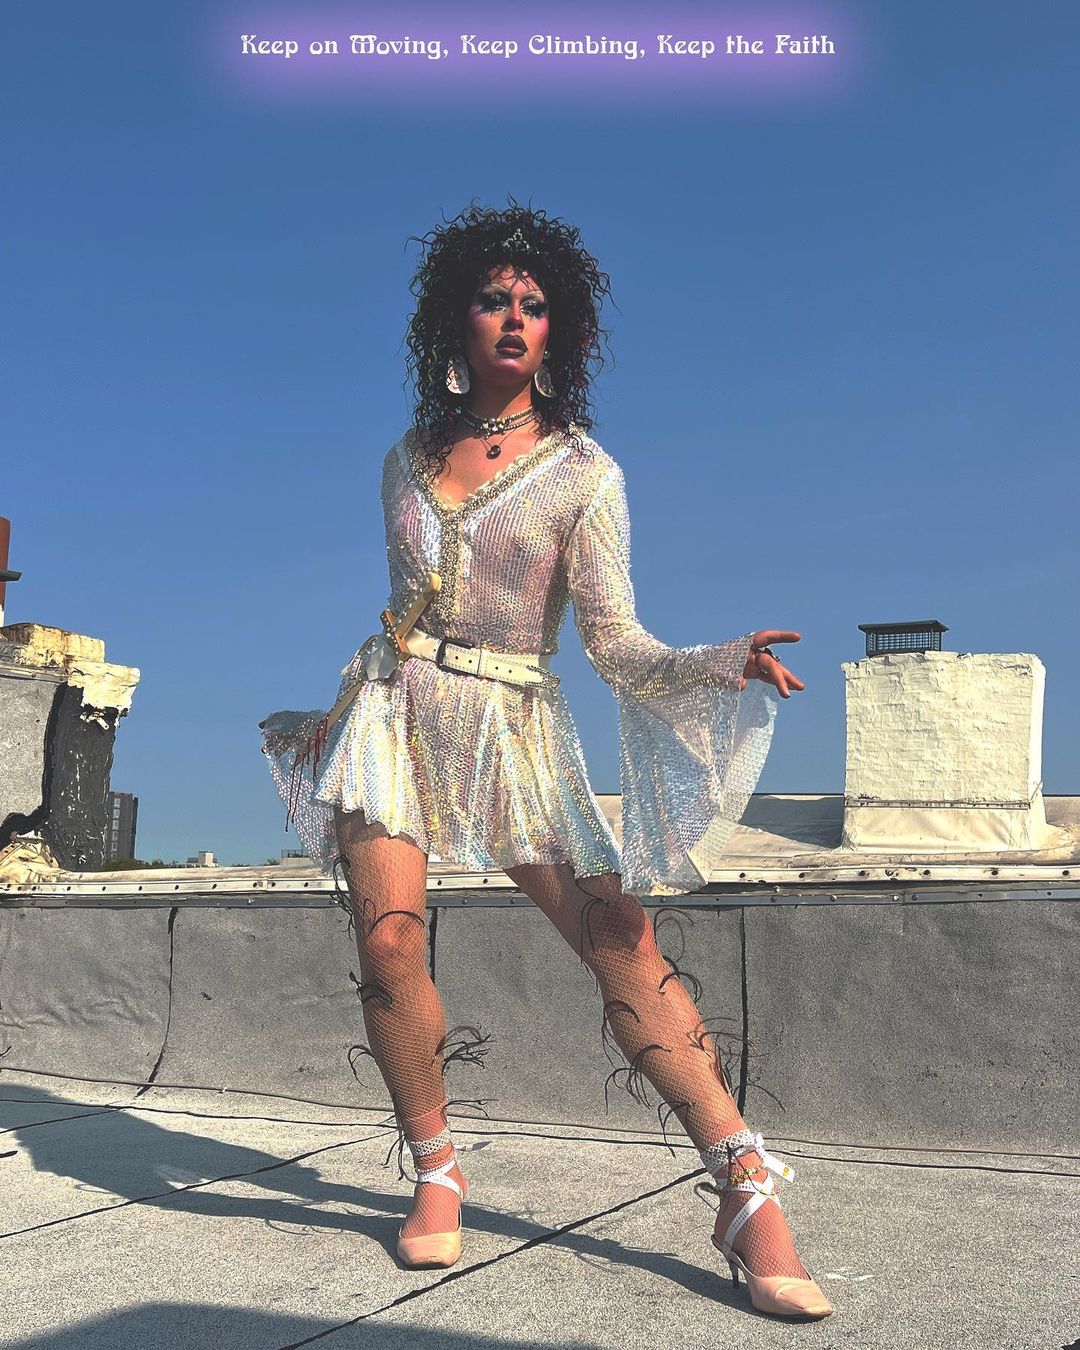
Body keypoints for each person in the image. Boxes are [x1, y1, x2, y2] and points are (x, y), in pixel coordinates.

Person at [259, 201, 831, 1320]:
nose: (514, 318)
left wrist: (720, 661)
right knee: (388, 940)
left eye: (533, 304)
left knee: (620, 938)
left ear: (559, 329)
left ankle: (744, 1184)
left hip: (513, 723)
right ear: (456, 322)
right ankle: (435, 1168)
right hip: (394, 711)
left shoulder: (586, 473)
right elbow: (406, 610)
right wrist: (349, 708)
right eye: (493, 300)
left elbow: (616, 644)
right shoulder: (404, 460)